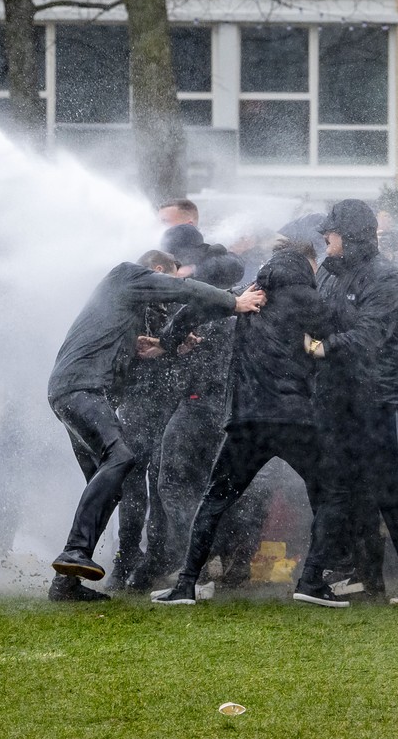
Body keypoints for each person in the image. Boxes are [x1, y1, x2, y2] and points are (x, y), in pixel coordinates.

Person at [45, 250, 265, 602]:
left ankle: (65, 584)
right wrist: (233, 303)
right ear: (157, 270)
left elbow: (114, 350)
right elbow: (184, 290)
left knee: (110, 483)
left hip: (74, 390)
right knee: (121, 458)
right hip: (81, 389)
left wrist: (158, 344)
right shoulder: (126, 274)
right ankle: (75, 552)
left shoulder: (122, 308)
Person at [152, 242, 359, 607]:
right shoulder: (310, 300)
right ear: (304, 268)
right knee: (334, 492)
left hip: (246, 420)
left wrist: (170, 340)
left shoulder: (248, 295)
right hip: (294, 419)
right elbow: (344, 336)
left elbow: (191, 310)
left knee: (214, 499)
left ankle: (186, 584)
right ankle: (312, 580)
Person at [316, 200, 398, 605]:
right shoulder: (328, 273)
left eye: (332, 231)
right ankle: (360, 574)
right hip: (345, 394)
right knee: (350, 484)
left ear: (351, 235)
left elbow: (370, 335)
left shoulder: (384, 276)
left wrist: (320, 347)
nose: (325, 237)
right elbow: (314, 314)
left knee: (397, 485)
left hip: (388, 395)